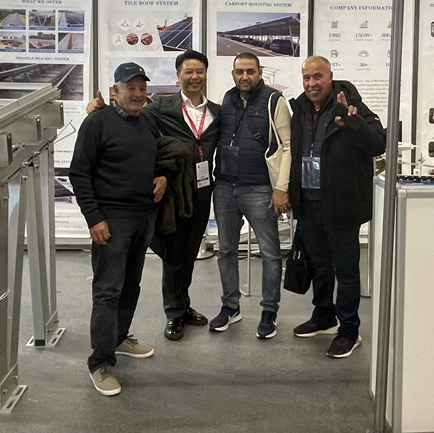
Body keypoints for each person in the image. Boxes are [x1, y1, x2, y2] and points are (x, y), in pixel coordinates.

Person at [87, 51, 221, 342]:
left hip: (202, 191)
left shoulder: (217, 112)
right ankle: (174, 313)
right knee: (173, 253)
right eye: (188, 72)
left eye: (199, 71)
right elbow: (128, 116)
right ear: (178, 76)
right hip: (173, 192)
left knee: (189, 253)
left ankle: (183, 305)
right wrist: (100, 109)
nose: (194, 77)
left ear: (206, 75)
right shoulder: (160, 105)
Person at [70, 62, 168, 397]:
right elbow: (79, 173)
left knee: (131, 285)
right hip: (112, 220)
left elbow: (157, 156)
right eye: (131, 88)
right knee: (108, 290)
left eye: (142, 88)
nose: (138, 94)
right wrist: (94, 218)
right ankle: (100, 362)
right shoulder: (97, 122)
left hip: (143, 217)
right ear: (115, 91)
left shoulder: (147, 121)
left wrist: (162, 175)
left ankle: (119, 337)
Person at [288, 56, 385, 359]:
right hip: (308, 202)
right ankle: (324, 316)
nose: (311, 83)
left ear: (330, 77)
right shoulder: (300, 109)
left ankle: (349, 330)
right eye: (306, 77)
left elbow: (378, 143)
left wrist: (353, 123)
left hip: (341, 204)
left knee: (345, 271)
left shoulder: (352, 106)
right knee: (319, 265)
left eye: (317, 76)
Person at [210, 52, 291, 339]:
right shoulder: (227, 99)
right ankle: (230, 307)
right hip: (224, 187)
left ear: (259, 73)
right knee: (226, 251)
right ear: (233, 74)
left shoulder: (274, 100)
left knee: (270, 253)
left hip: (259, 189)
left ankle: (269, 311)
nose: (245, 76)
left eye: (250, 71)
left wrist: (281, 188)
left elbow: (287, 146)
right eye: (239, 71)